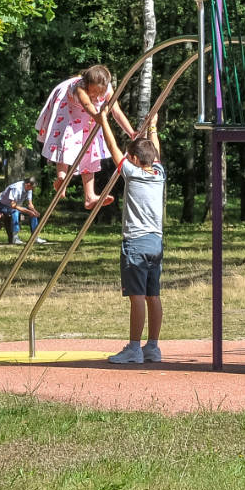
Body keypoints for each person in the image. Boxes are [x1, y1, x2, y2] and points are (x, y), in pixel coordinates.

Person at [98, 109, 165, 365]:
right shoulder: (158, 174)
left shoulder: (133, 174)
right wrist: (153, 127)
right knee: (153, 295)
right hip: (155, 242)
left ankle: (134, 348)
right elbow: (154, 151)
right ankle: (153, 347)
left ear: (135, 159)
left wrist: (103, 120)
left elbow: (113, 146)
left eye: (130, 156)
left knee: (136, 296)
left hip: (135, 243)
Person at [35, 65, 135, 210]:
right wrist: (98, 116)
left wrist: (131, 132)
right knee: (66, 139)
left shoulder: (108, 90)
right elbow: (88, 105)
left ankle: (89, 196)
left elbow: (116, 111)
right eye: (92, 91)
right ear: (87, 84)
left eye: (99, 93)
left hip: (90, 119)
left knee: (91, 150)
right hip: (70, 112)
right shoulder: (80, 88)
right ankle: (62, 177)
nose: (95, 96)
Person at [0, 176, 47, 245]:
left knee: (32, 214)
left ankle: (35, 237)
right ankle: (15, 237)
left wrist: (34, 211)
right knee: (15, 211)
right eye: (33, 187)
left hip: (14, 206)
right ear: (28, 184)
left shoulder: (29, 189)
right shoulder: (16, 188)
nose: (33, 189)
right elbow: (13, 206)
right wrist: (29, 212)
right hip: (2, 206)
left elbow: (30, 205)